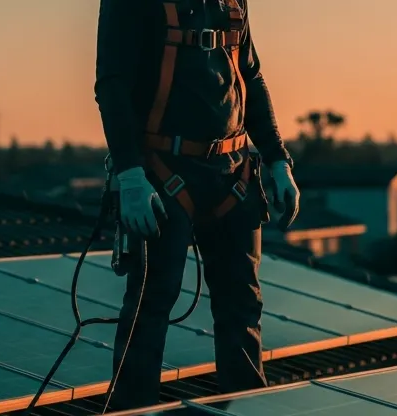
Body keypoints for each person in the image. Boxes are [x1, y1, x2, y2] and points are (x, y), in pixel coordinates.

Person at [93, 0, 300, 411]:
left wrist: (278, 159)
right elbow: (112, 84)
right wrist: (130, 176)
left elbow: (250, 74)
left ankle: (246, 408)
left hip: (234, 175)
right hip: (163, 174)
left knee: (242, 308)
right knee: (149, 308)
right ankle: (133, 411)